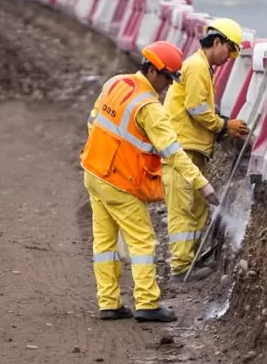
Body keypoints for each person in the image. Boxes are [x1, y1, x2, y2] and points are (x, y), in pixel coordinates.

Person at [82, 41, 220, 324]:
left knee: (105, 242)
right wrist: (202, 184)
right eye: (167, 79)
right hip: (120, 181)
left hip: (94, 172)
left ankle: (109, 303)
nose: (168, 87)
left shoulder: (116, 83)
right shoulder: (149, 107)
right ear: (155, 71)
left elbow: (94, 121)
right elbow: (174, 152)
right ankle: (147, 303)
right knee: (142, 240)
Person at [162, 17, 250, 283]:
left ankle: (191, 259)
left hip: (192, 147)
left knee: (198, 206)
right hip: (181, 147)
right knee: (182, 207)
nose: (230, 57)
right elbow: (197, 109)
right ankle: (180, 267)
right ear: (217, 41)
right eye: (230, 50)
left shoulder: (202, 67)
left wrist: (221, 126)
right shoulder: (198, 66)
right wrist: (224, 126)